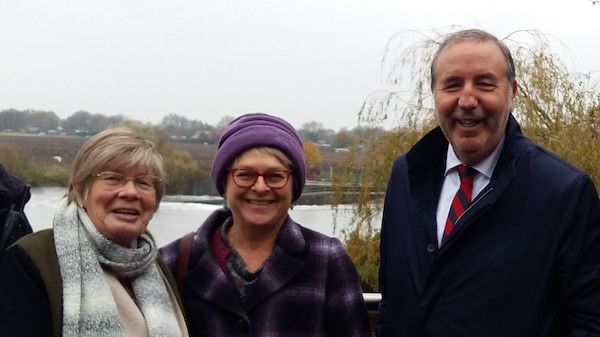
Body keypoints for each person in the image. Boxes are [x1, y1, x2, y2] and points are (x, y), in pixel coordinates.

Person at [376, 28, 600, 336]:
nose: (467, 100)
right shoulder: (405, 174)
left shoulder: (564, 192)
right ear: (434, 92)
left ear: (512, 92)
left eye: (484, 83)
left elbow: (590, 321)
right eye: (452, 84)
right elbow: (393, 297)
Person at [160, 112, 372, 337]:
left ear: (294, 185)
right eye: (245, 174)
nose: (260, 187)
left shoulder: (327, 259)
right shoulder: (176, 261)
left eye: (275, 176)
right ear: (224, 182)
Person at [0, 127, 189, 337]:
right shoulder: (31, 260)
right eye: (113, 178)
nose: (130, 192)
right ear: (80, 192)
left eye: (143, 182)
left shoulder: (158, 266)